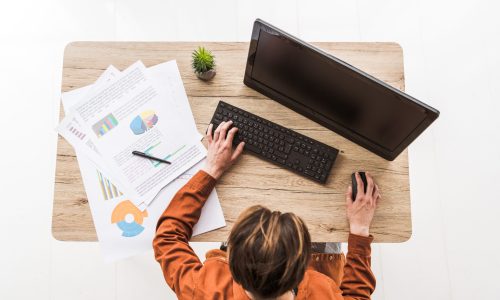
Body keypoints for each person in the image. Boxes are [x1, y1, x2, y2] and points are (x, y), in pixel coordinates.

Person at [154, 121, 380, 299]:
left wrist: (211, 169)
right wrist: (359, 230)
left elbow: (167, 237)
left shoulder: (202, 290)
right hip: (321, 261)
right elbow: (357, 296)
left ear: (231, 263)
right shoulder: (323, 295)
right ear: (303, 269)